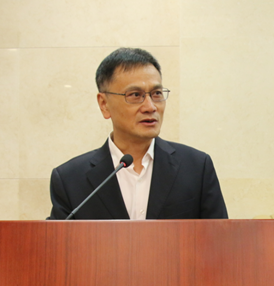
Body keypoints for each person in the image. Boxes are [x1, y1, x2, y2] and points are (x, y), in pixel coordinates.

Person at [48, 48, 228, 220]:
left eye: (156, 93)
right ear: (104, 104)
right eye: (135, 95)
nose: (150, 107)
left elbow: (219, 237)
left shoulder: (196, 168)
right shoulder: (70, 179)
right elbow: (56, 240)